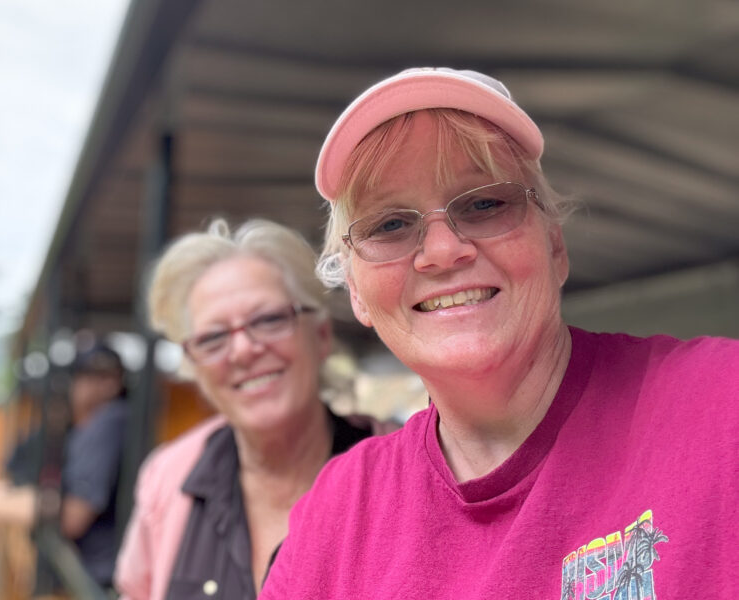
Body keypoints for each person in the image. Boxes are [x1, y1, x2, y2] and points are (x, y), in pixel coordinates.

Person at [258, 67, 739, 599]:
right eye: (389, 225)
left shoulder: (722, 405)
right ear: (355, 293)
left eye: (485, 204)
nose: (443, 250)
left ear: (555, 246)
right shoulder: (336, 515)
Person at [114, 219, 385, 600]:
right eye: (213, 338)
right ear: (196, 370)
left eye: (269, 320)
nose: (243, 351)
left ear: (321, 336)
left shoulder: (406, 470)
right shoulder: (168, 476)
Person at [0, 343, 129, 591]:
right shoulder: (71, 429)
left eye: (108, 377)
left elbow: (72, 515)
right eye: (90, 376)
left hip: (96, 579)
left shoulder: (110, 421)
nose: (102, 386)